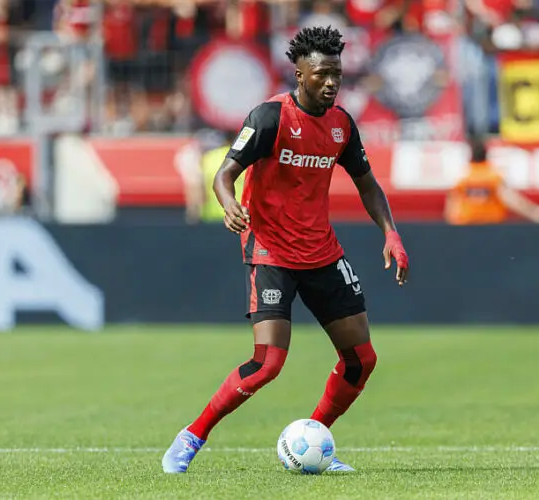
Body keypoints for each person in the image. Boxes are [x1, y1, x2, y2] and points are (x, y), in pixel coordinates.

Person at [162, 25, 409, 474]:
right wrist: (229, 202)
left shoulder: (341, 125)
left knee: (361, 360)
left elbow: (368, 185)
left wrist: (390, 233)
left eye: (336, 73)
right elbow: (224, 173)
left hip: (323, 253)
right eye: (322, 75)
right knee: (267, 363)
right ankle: (192, 436)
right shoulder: (270, 118)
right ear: (299, 74)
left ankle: (314, 439)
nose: (331, 82)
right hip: (271, 251)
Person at [445, 136, 539, 225]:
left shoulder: (462, 178)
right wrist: (535, 213)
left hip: (467, 229)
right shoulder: (494, 177)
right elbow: (512, 200)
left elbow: (451, 208)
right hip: (492, 230)